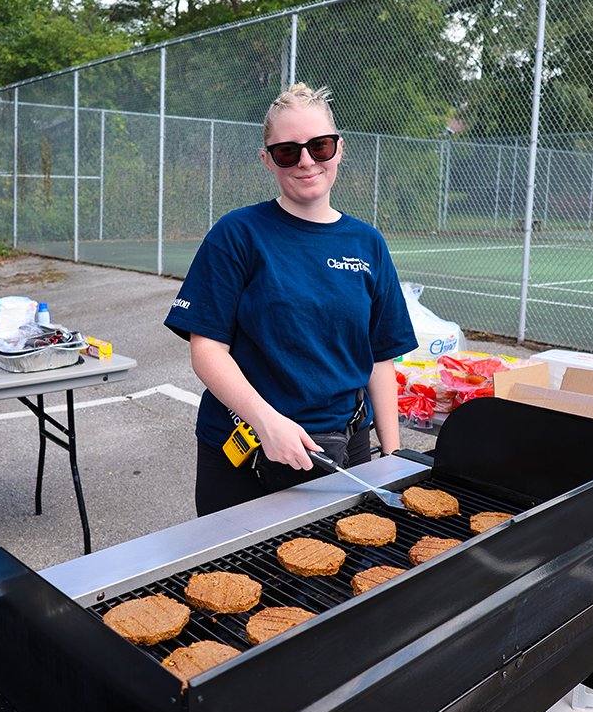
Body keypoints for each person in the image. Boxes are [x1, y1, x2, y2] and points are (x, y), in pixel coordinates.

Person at [164, 83, 417, 515]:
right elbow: (206, 350)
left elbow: (379, 358)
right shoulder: (238, 234)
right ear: (267, 160)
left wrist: (391, 459)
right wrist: (266, 423)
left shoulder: (367, 243)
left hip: (342, 453)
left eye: (319, 146)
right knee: (233, 579)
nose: (306, 161)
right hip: (244, 453)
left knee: (337, 578)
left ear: (339, 150)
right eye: (287, 151)